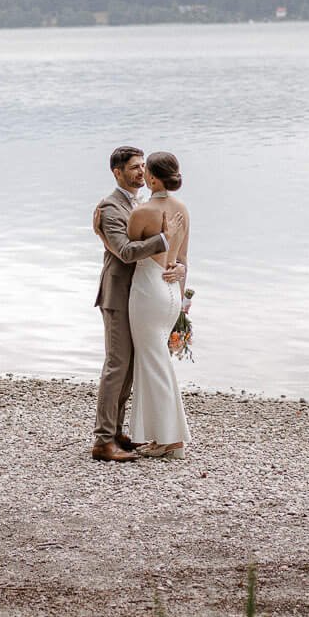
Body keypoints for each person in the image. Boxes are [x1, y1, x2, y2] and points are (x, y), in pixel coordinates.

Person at [90, 145, 184, 462]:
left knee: (129, 368)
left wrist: (176, 266)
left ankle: (117, 432)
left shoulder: (141, 203)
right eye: (133, 167)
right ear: (117, 172)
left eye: (143, 166)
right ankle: (103, 441)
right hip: (118, 295)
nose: (140, 172)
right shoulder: (109, 208)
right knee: (116, 366)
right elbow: (126, 252)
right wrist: (163, 240)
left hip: (142, 295)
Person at [125, 150, 191, 456]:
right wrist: (182, 307)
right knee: (158, 362)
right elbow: (182, 260)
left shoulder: (142, 212)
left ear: (152, 177)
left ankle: (170, 439)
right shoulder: (182, 209)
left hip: (149, 290)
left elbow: (127, 255)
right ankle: (163, 434)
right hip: (172, 293)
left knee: (153, 364)